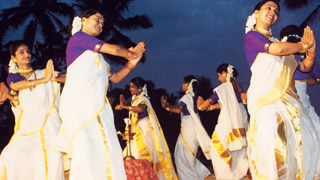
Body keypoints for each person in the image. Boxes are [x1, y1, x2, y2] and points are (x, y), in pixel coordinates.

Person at [57, 10, 145, 180]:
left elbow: (117, 77)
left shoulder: (98, 59)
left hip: (98, 108)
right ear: (83, 21)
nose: (100, 25)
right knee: (86, 150)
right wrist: (132, 54)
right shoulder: (78, 38)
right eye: (97, 20)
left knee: (109, 149)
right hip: (79, 106)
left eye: (102, 23)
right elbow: (115, 50)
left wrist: (131, 64)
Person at [244, 1, 319, 179]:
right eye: (268, 8)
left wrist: (312, 52)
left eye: (276, 10)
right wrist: (303, 46)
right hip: (266, 101)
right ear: (256, 13)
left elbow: (304, 68)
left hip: (288, 102)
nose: (273, 12)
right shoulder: (252, 36)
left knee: (304, 138)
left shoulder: (281, 45)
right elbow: (276, 49)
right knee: (269, 143)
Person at [0, 40, 65, 180]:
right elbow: (16, 87)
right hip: (27, 127)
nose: (26, 55)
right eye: (21, 52)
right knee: (10, 155)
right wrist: (45, 80)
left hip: (49, 125)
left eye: (28, 51)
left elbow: (64, 78)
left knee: (51, 158)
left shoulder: (41, 73)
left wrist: (54, 78)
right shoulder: (14, 77)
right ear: (13, 58)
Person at [115, 77, 177, 180]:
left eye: (132, 87)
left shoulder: (144, 99)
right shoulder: (134, 99)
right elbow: (118, 106)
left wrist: (125, 106)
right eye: (130, 87)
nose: (130, 89)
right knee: (127, 157)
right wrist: (122, 100)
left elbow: (141, 108)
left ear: (140, 89)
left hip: (144, 134)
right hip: (135, 134)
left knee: (138, 159)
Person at [197, 64, 249, 180]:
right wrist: (210, 108)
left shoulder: (224, 87)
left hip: (229, 120)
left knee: (216, 148)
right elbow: (225, 104)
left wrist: (201, 106)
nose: (218, 79)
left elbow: (211, 100)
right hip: (240, 116)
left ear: (225, 73)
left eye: (219, 76)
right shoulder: (238, 86)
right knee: (236, 149)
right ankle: (240, 173)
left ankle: (227, 176)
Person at [160, 75, 212, 180]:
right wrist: (170, 106)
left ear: (187, 84)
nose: (182, 85)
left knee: (182, 157)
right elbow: (182, 108)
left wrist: (166, 107)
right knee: (186, 157)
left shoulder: (185, 97)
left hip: (188, 130)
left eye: (183, 83)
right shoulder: (195, 97)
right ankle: (204, 175)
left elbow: (179, 110)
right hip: (193, 131)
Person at [280, 24, 320, 136]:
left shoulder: (280, 54)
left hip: (287, 98)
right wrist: (304, 80)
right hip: (293, 99)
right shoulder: (306, 58)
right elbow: (318, 77)